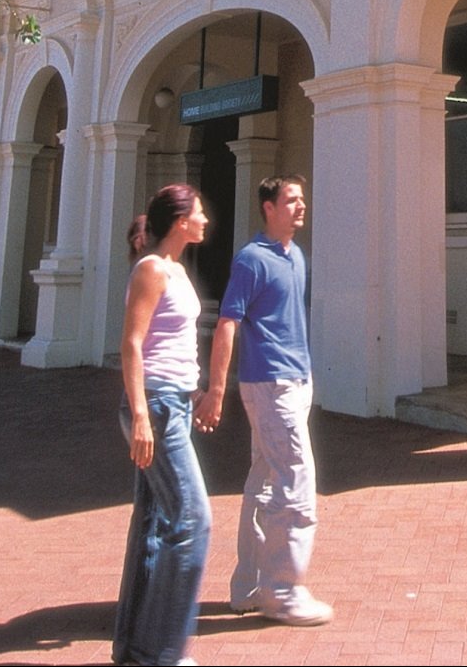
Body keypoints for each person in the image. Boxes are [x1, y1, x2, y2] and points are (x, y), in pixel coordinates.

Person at [201, 175, 332, 627]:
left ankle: (251, 586)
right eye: (291, 200)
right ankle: (284, 591)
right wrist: (216, 389)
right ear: (269, 208)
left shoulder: (296, 256)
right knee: (296, 480)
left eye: (302, 200)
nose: (300, 207)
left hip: (297, 380)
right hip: (269, 384)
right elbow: (227, 323)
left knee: (265, 479)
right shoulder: (251, 260)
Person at [113, 184, 213, 667]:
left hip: (172, 401)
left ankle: (133, 646)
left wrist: (192, 388)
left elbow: (169, 344)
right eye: (198, 214)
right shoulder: (152, 269)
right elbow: (132, 345)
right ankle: (165, 650)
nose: (204, 221)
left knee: (153, 524)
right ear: (179, 221)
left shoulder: (174, 269)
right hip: (154, 407)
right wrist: (139, 417)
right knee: (193, 520)